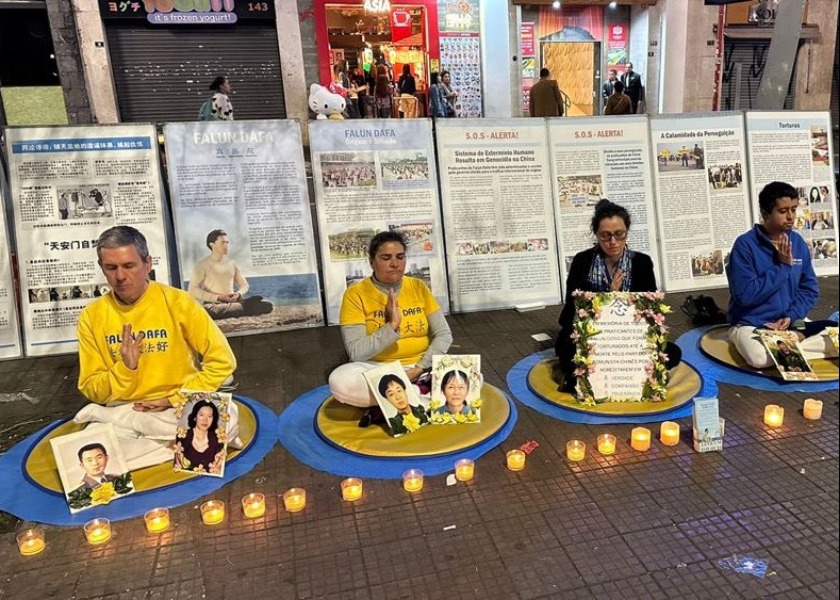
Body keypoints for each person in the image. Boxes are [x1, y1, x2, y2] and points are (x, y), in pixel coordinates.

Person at [73, 226, 238, 470]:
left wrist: (172, 399)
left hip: (178, 406)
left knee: (227, 419)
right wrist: (125, 368)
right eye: (111, 268)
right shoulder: (91, 317)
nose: (120, 276)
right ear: (102, 268)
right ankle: (173, 448)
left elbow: (223, 362)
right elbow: (92, 388)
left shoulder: (179, 302)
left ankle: (142, 448)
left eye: (129, 266)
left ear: (147, 263)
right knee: (91, 458)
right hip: (125, 409)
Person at [555, 199, 681, 393]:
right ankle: (603, 375)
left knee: (671, 352)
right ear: (596, 235)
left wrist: (624, 302)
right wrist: (608, 295)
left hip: (627, 333)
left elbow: (650, 308)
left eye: (619, 234)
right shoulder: (583, 261)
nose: (613, 242)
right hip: (591, 331)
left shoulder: (642, 263)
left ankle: (603, 374)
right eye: (605, 236)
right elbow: (572, 306)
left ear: (627, 232)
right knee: (565, 346)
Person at [328, 231, 453, 426]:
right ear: (371, 262)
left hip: (421, 367)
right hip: (376, 369)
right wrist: (391, 326)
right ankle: (422, 396)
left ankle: (394, 402)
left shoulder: (418, 286)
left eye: (400, 257)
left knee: (474, 376)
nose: (394, 264)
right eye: (386, 258)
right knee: (340, 382)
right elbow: (356, 352)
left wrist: (420, 368)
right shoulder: (355, 295)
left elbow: (444, 335)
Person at [726, 181, 832, 369]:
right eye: (783, 211)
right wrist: (782, 267)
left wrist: (791, 316)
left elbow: (809, 289)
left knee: (837, 338)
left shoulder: (797, 242)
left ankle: (794, 340)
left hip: (789, 323)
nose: (791, 217)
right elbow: (745, 296)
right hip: (752, 323)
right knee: (760, 358)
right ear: (766, 213)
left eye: (793, 209)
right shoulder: (745, 245)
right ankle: (794, 344)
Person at [189, 229, 273, 319]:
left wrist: (239, 294)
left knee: (268, 305)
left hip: (233, 301)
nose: (226, 246)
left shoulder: (232, 263)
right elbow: (193, 289)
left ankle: (240, 307)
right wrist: (218, 297)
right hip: (213, 304)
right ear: (212, 245)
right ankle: (244, 307)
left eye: (227, 243)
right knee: (207, 310)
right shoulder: (202, 265)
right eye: (223, 243)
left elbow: (244, 285)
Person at [174, 397, 225, 474]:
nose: (205, 420)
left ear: (213, 419)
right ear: (195, 417)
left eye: (209, 416)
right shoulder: (182, 437)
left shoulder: (219, 440)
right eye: (201, 415)